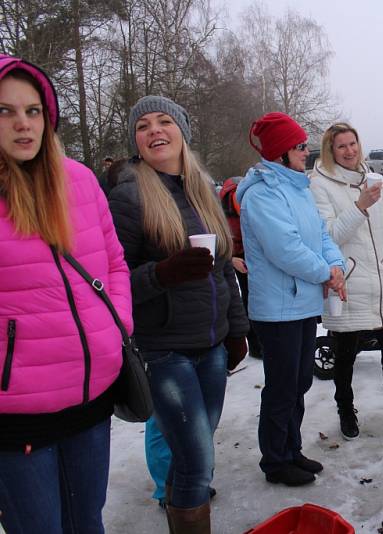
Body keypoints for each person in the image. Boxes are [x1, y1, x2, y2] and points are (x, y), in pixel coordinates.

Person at [0, 54, 133, 533]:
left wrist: (115, 326)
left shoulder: (78, 179)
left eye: (32, 110)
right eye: (5, 111)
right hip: (18, 417)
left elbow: (115, 262)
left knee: (87, 522)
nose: (22, 124)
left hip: (90, 397)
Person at [108, 95, 249, 532]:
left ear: (182, 132)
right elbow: (112, 283)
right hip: (164, 351)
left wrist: (237, 330)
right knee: (196, 460)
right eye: (143, 126)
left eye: (164, 121)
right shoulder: (128, 197)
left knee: (196, 451)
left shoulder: (202, 190)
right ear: (136, 141)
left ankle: (178, 509)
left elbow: (223, 266)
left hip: (211, 346)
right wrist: (164, 273)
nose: (154, 131)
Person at [237, 112, 345, 486]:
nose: (306, 151)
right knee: (282, 387)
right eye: (300, 146)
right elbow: (286, 250)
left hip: (302, 303)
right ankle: (275, 460)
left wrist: (336, 264)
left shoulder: (299, 188)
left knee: (298, 383)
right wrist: (325, 273)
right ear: (281, 152)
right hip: (277, 308)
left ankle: (291, 448)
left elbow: (321, 235)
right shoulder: (262, 195)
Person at [309, 122, 383, 440]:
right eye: (341, 146)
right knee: (345, 354)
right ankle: (346, 412)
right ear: (331, 150)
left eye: (352, 143)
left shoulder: (375, 180)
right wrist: (360, 206)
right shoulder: (319, 184)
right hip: (349, 282)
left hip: (382, 280)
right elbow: (327, 235)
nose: (349, 151)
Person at [219, 176, 262, 359]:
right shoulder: (239, 195)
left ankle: (256, 345)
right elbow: (250, 222)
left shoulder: (228, 195)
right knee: (251, 299)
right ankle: (256, 346)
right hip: (243, 254)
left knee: (247, 297)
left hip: (236, 251)